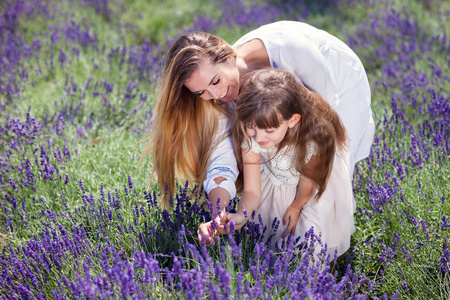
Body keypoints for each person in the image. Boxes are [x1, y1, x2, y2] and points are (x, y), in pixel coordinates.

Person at [142, 20, 374, 217]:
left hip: (338, 83)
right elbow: (222, 157)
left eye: (215, 81)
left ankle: (332, 246)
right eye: (200, 92)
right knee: (273, 165)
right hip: (294, 108)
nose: (213, 95)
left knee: (332, 164)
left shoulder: (290, 50)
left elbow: (324, 115)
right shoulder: (218, 97)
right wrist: (219, 211)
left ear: (228, 55)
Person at [201, 68, 355, 258]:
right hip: (274, 180)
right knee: (270, 240)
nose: (259, 137)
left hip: (308, 186)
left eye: (269, 130)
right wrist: (241, 215)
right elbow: (251, 191)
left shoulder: (313, 140)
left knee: (311, 240)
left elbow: (309, 182)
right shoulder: (251, 138)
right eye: (251, 127)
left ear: (293, 120)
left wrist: (297, 206)